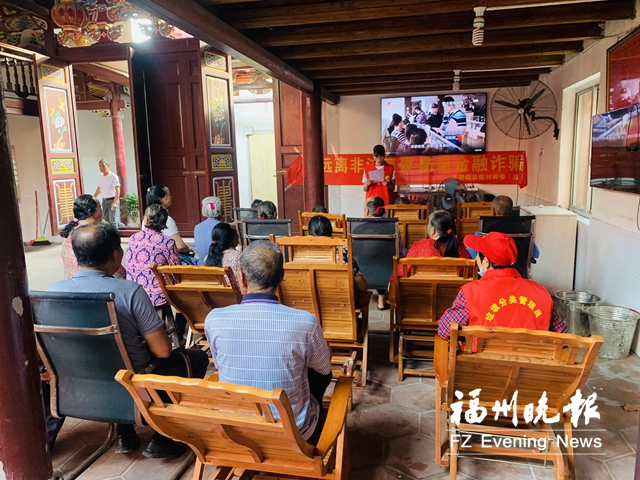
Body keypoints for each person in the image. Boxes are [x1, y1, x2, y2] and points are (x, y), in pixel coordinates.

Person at [48, 223, 208, 457]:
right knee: (194, 357)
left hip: (77, 386)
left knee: (111, 361)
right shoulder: (129, 292)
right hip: (132, 386)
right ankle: (163, 437)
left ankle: (125, 434)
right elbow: (163, 351)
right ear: (116, 254)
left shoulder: (53, 292)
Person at [204, 241, 332, 444]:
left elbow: (219, 367)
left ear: (241, 278)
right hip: (293, 432)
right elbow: (324, 370)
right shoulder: (304, 322)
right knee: (314, 369)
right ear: (281, 277)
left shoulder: (214, 319)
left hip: (235, 429)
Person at [438, 232, 568, 340]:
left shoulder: (470, 292)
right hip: (530, 368)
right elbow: (563, 337)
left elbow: (445, 331)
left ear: (486, 262)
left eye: (478, 255)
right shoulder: (540, 292)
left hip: (480, 368)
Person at [127, 205, 180, 308]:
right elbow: (176, 269)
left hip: (134, 292)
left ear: (146, 219)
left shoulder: (133, 238)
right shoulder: (166, 241)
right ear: (164, 221)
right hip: (157, 295)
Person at [308, 215, 369, 305]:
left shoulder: (299, 253)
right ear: (330, 231)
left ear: (309, 232)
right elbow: (362, 286)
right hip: (340, 306)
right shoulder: (342, 251)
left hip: (307, 307)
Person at [359, 196, 407, 310]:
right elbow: (403, 253)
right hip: (387, 274)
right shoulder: (392, 229)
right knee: (384, 262)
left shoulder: (356, 230)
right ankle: (381, 300)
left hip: (362, 276)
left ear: (367, 212)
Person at [466, 195, 539, 259]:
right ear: (511, 211)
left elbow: (470, 253)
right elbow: (536, 255)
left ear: (493, 211)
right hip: (518, 273)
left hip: (491, 273)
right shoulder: (524, 231)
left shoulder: (484, 231)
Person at [60, 194, 103, 279]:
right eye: (100, 207)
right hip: (90, 282)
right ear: (92, 212)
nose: (101, 210)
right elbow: (110, 262)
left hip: (70, 280)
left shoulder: (70, 229)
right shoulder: (93, 231)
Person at [144, 184, 190, 253]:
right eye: (168, 195)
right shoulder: (166, 219)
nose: (171, 197)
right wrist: (189, 249)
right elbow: (180, 246)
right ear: (161, 199)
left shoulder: (146, 218)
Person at [194, 196, 222, 261]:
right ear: (219, 210)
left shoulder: (197, 227)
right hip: (218, 265)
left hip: (201, 265)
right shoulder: (222, 227)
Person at [93, 160, 120, 227]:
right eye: (100, 166)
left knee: (112, 221)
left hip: (112, 200)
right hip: (104, 200)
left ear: (108, 166)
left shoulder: (113, 176)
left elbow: (118, 190)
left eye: (103, 166)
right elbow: (100, 188)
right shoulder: (100, 176)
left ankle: (114, 236)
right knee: (106, 220)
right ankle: (121, 226)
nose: (101, 168)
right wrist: (94, 196)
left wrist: (114, 202)